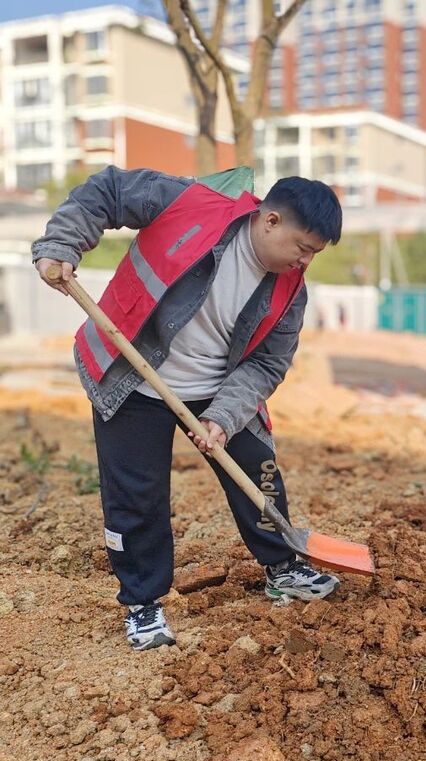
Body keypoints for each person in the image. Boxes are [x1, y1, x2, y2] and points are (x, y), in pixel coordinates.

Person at [33, 166, 343, 651]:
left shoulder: (291, 293)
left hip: (216, 389)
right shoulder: (189, 205)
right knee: (136, 496)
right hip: (131, 374)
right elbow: (108, 190)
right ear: (271, 220)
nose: (305, 261)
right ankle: (143, 604)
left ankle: (283, 566)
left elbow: (266, 366)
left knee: (257, 472)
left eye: (314, 255)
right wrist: (62, 243)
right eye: (302, 247)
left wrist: (222, 417)